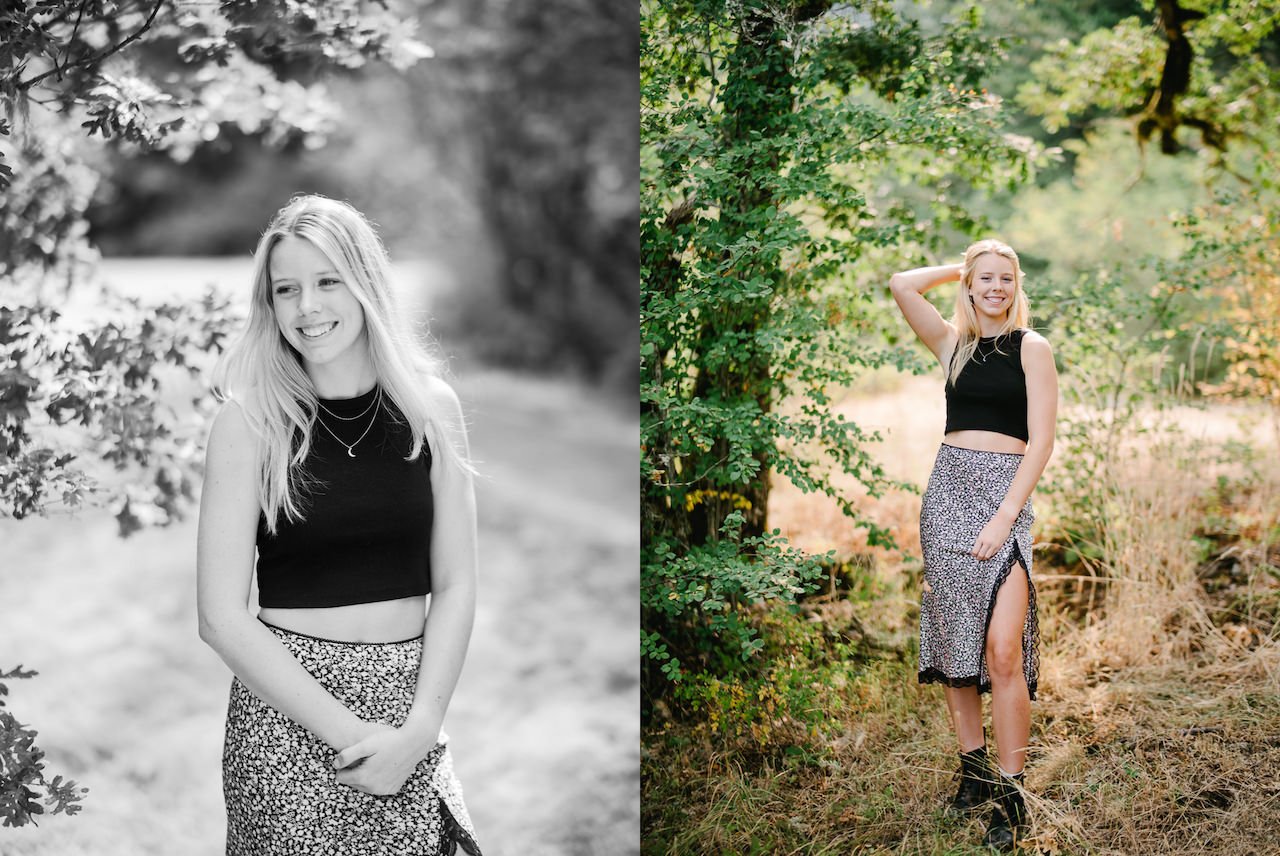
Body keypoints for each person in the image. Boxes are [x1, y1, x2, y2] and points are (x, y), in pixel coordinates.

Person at [197, 194, 483, 855]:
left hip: (409, 715)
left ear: (365, 282)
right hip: (287, 718)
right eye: (286, 290)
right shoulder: (248, 424)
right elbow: (219, 615)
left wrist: (419, 730)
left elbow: (459, 584)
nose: (307, 308)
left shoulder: (430, 408)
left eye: (327, 281)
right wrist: (352, 735)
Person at [889, 239, 1058, 851]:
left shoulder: (1031, 348)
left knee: (1002, 651)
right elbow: (903, 283)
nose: (995, 288)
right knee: (957, 639)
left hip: (1003, 498)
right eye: (984, 279)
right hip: (948, 493)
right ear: (968, 284)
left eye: (1005, 278)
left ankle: (1012, 797)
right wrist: (963, 266)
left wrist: (1006, 513)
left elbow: (1041, 441)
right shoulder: (952, 346)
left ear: (1017, 287)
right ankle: (973, 768)